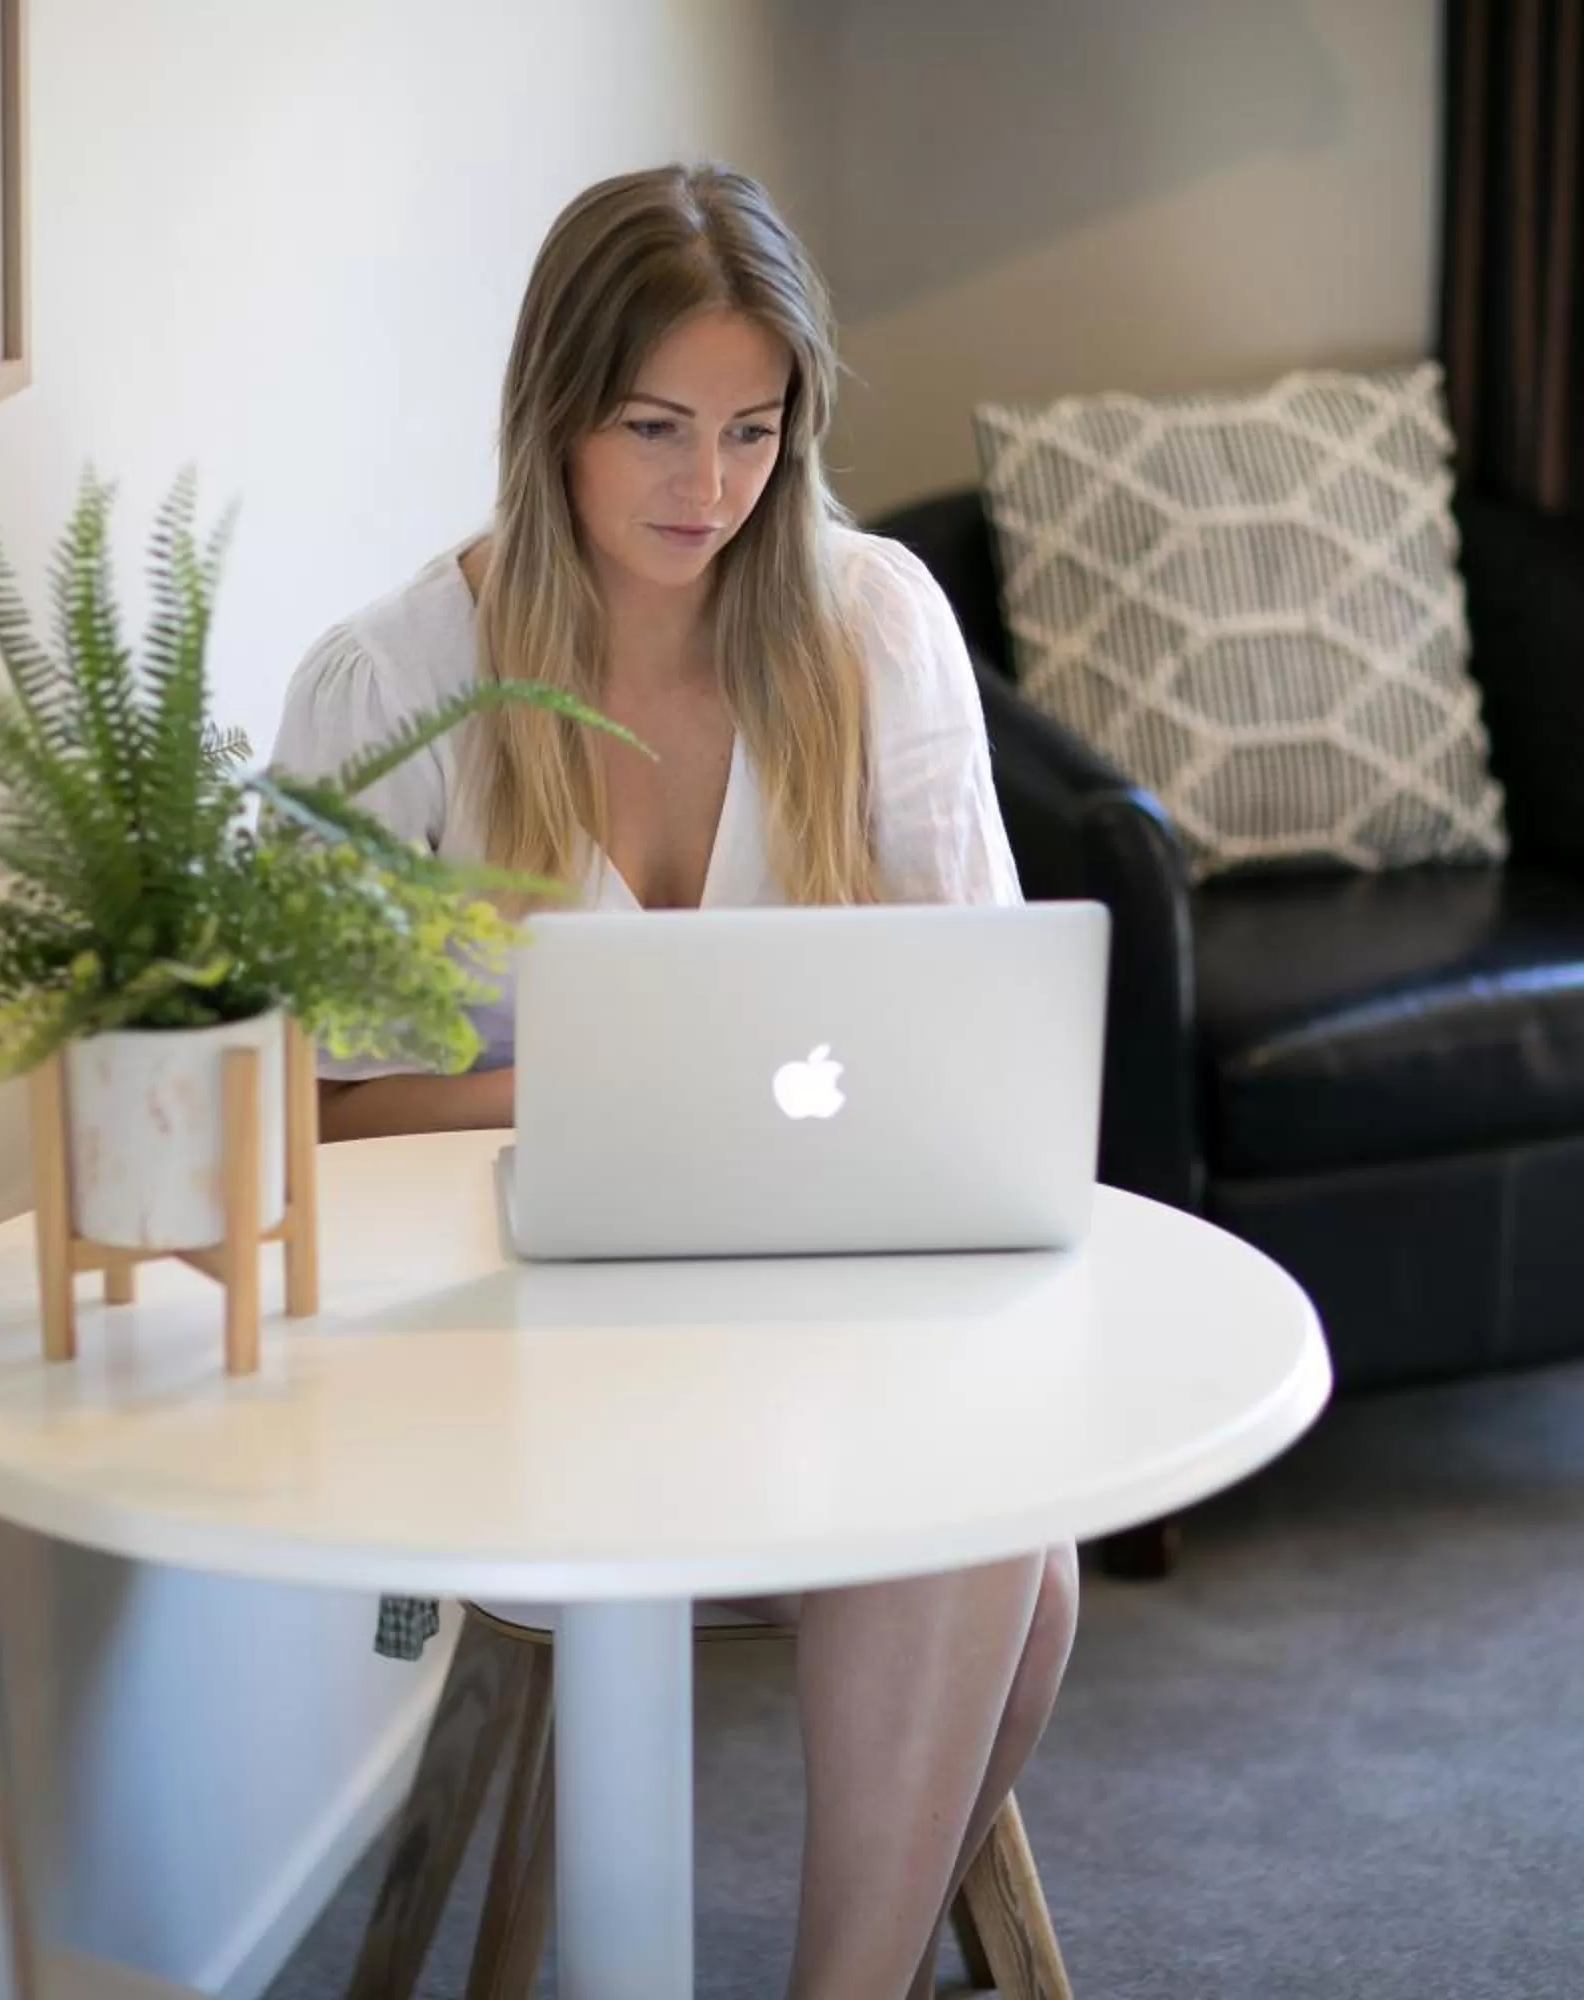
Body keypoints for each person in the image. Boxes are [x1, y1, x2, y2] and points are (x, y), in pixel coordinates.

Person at [269, 160, 1080, 2000]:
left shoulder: (868, 625)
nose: (707, 491)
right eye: (653, 428)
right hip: (507, 1325)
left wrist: (748, 1104)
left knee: (1011, 1548)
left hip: (808, 1283)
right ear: (552, 411)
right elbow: (317, 1118)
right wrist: (617, 1093)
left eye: (750, 433)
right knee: (997, 1556)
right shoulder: (397, 685)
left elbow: (978, 1017)